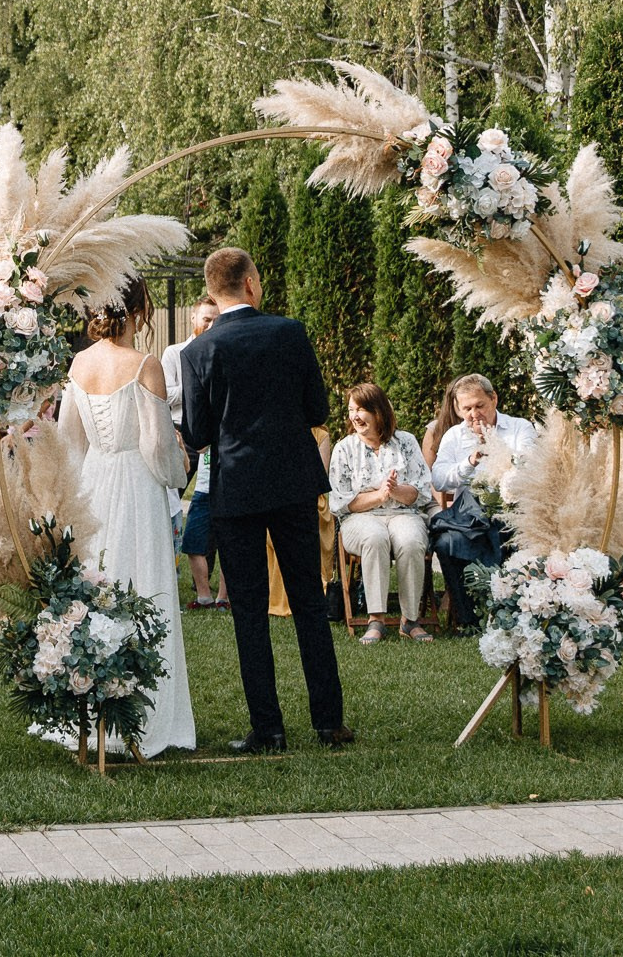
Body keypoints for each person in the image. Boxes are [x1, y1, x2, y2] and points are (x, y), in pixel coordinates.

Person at [178, 246, 352, 754]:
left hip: (237, 488)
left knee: (249, 611)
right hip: (294, 482)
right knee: (307, 604)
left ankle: (269, 729)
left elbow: (198, 431)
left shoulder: (197, 352)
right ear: (251, 283)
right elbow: (316, 408)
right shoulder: (290, 333)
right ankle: (328, 721)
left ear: (214, 292)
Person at [56, 280, 197, 756]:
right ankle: (145, 715)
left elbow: (68, 441)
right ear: (139, 310)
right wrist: (179, 474)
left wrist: (76, 492)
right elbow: (157, 445)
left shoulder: (80, 363)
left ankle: (93, 709)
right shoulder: (145, 365)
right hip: (137, 483)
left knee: (99, 584)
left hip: (94, 479)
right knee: (142, 583)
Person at [425, 372, 536, 630]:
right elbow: (440, 480)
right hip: (469, 514)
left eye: (479, 405)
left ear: (493, 399)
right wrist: (470, 462)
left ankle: (516, 616)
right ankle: (467, 620)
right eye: (467, 408)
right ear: (458, 409)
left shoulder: (520, 427)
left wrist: (494, 446)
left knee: (514, 538)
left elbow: (528, 467)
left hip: (512, 510)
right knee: (446, 542)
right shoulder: (454, 435)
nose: (474, 414)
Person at [329, 382, 435, 644]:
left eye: (361, 409)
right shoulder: (344, 448)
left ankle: (410, 621)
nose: (355, 416)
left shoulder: (406, 442)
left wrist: (396, 491)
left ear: (379, 412)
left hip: (403, 513)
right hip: (359, 519)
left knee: (410, 540)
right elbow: (341, 501)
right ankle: (375, 620)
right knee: (375, 537)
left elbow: (421, 491)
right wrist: (378, 496)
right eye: (351, 410)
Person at [165, 297, 228, 610]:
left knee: (214, 505)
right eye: (206, 319)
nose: (210, 325)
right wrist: (195, 386)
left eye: (216, 319)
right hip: (180, 434)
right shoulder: (174, 353)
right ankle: (166, 573)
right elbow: (164, 391)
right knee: (171, 505)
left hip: (216, 437)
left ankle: (210, 586)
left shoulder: (222, 353)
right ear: (193, 318)